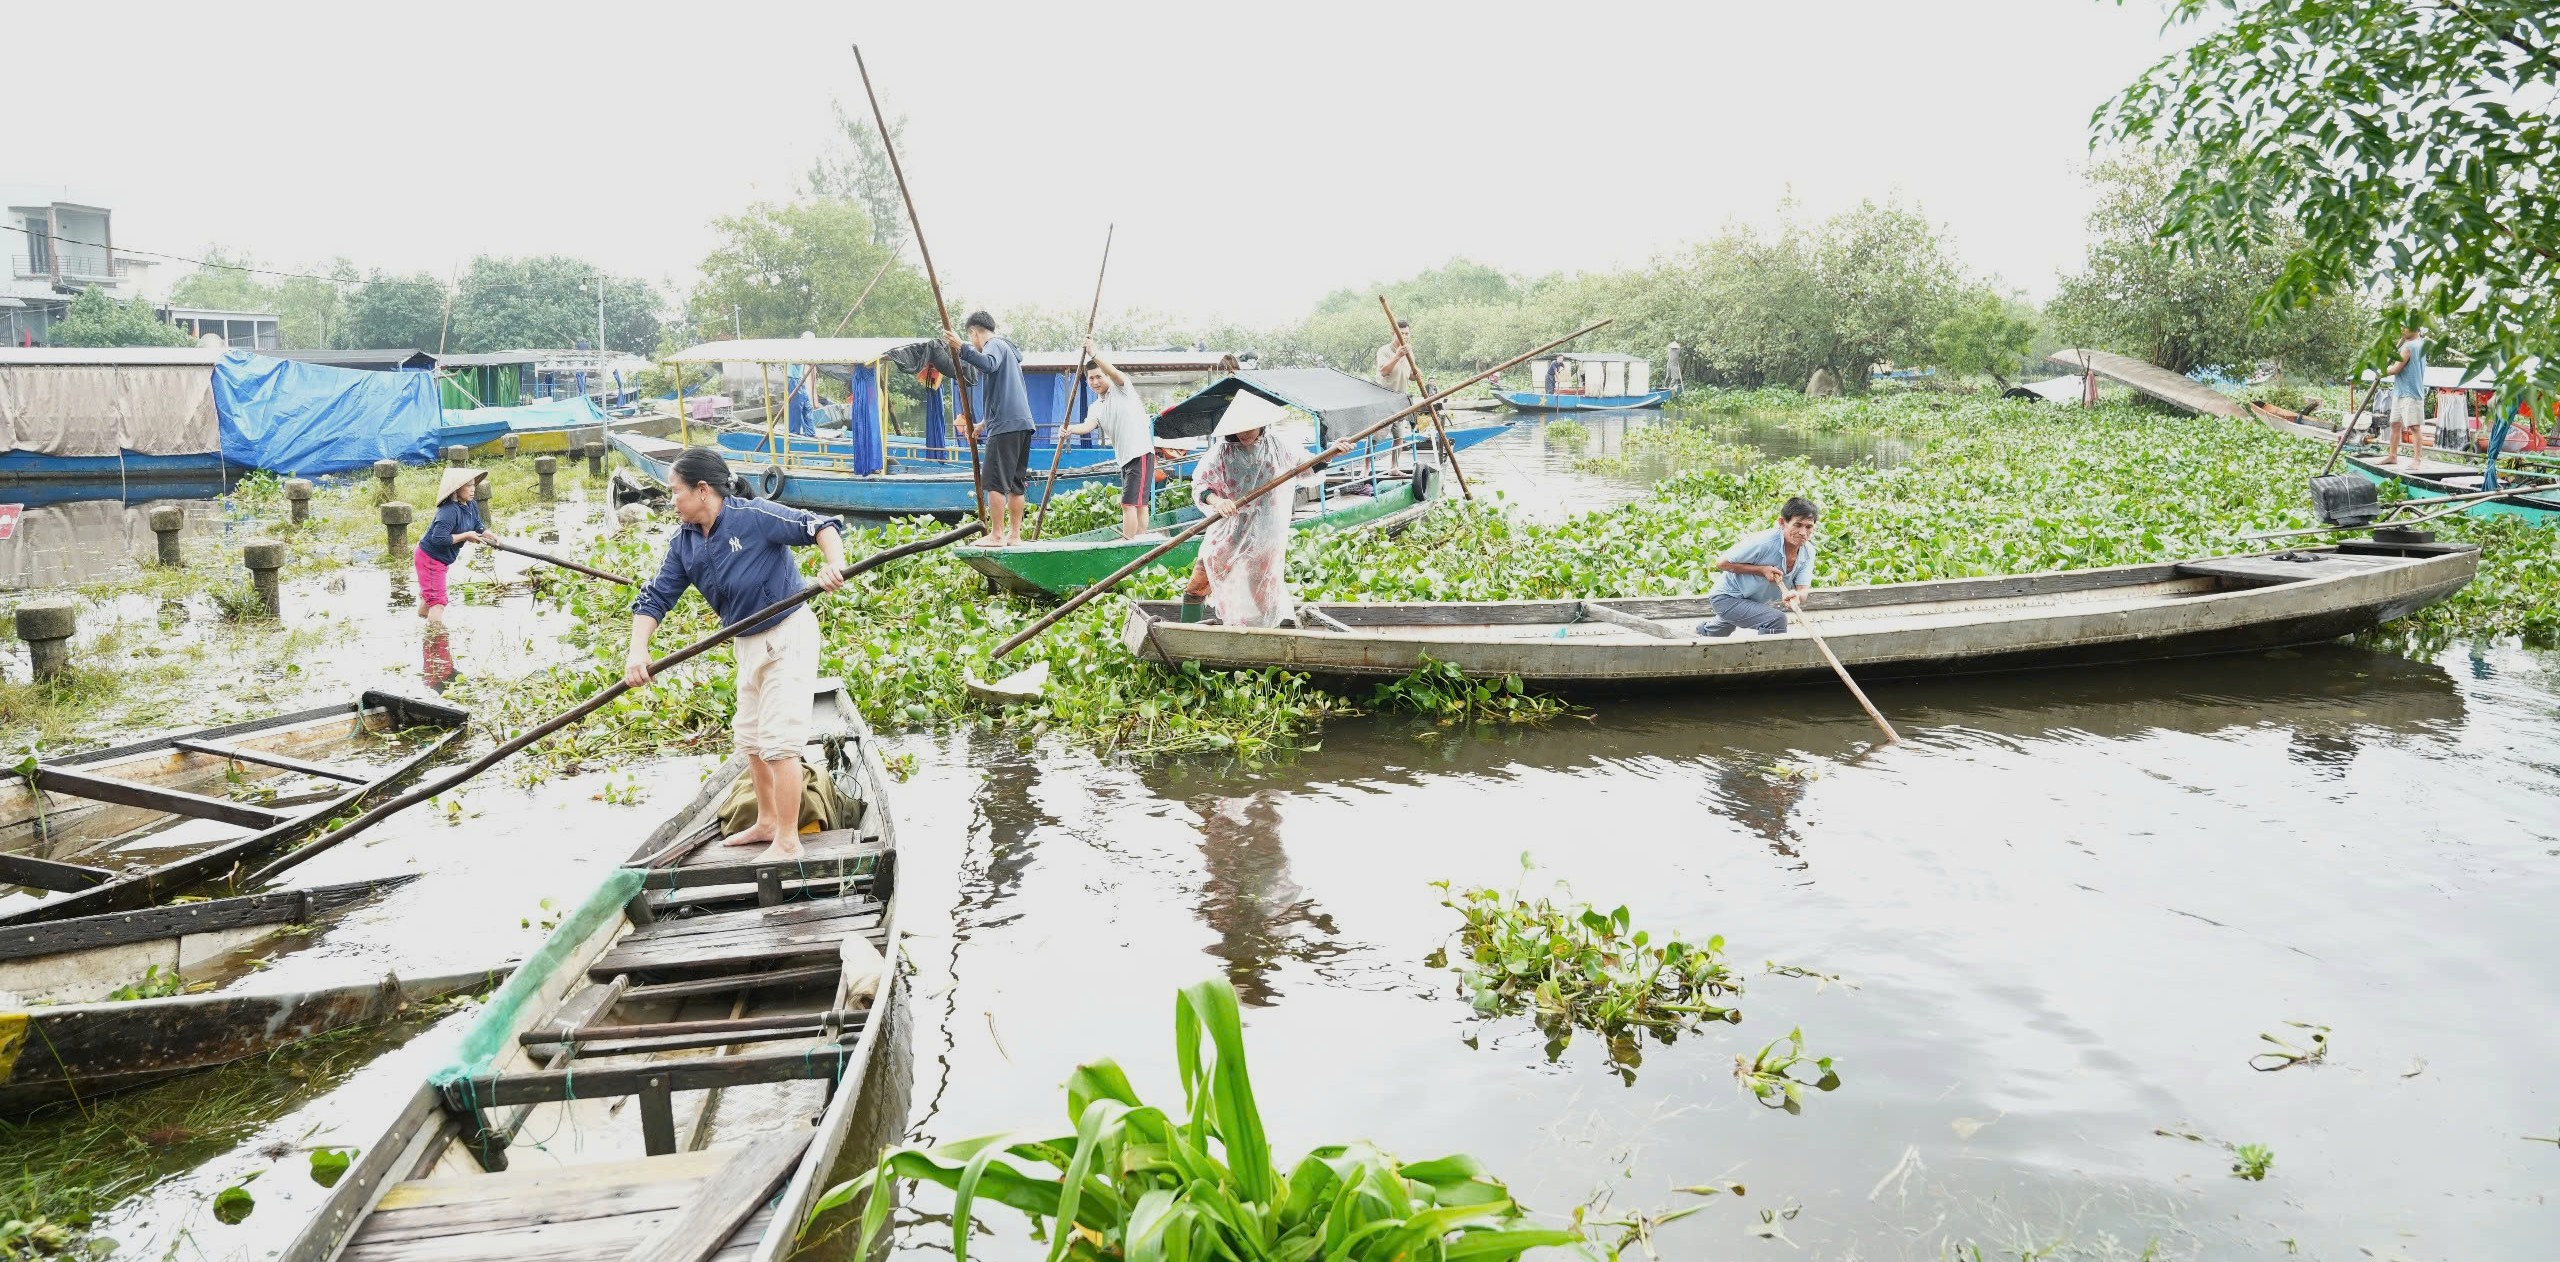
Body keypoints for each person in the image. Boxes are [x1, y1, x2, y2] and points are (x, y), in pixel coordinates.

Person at [624, 447, 849, 859]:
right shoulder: (685, 542)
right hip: (746, 641)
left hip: (787, 635)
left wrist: (833, 565)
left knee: (779, 741)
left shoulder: (754, 516)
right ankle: (767, 821)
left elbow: (820, 525)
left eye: (675, 491)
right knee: (751, 737)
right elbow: (655, 597)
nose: (671, 500)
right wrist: (638, 651)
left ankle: (788, 841)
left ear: (702, 490)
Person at [1181, 393, 1298, 628]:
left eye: (1249, 428)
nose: (1244, 434)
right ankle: (1184, 631)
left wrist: (1336, 450)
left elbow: (1307, 466)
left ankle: (1268, 634)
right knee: (1202, 577)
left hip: (1265, 529)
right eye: (1238, 429)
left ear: (1261, 424)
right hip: (1229, 527)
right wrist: (1218, 502)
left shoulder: (1275, 445)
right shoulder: (1222, 452)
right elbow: (1202, 486)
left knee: (1262, 583)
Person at [947, 311, 1036, 546]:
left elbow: (988, 364)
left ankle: (997, 535)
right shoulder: (1009, 351)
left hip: (1005, 427)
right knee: (1016, 484)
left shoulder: (994, 345)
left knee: (995, 482)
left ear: (973, 333)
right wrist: (983, 423)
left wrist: (962, 348)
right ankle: (1014, 536)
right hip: (1022, 424)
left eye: (971, 338)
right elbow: (1004, 395)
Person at [1066, 338, 1155, 539]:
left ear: (1106, 375)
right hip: (1125, 459)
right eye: (1091, 379)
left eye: (1099, 376)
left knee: (1128, 504)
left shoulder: (1122, 389)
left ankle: (1128, 542)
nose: (1095, 382)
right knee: (1138, 503)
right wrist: (1070, 429)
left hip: (1139, 452)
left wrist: (1094, 353)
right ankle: (1141, 538)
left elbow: (1114, 373)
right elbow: (1088, 426)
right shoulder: (1096, 407)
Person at [1695, 497, 1819, 638]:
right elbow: (1721, 563)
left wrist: (1797, 596)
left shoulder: (1808, 552)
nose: (1803, 532)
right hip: (1726, 597)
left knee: (1719, 631)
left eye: (1808, 527)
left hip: (1752, 601)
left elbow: (1803, 591)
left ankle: (1705, 631)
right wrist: (1761, 570)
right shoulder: (1764, 542)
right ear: (1782, 523)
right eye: (1797, 525)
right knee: (1776, 620)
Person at [416, 467, 495, 627]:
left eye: (473, 485)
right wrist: (466, 535)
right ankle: (436, 639)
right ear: (456, 489)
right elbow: (439, 539)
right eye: (468, 486)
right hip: (430, 558)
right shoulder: (449, 511)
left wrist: (487, 533)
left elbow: (476, 524)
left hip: (440, 559)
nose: (473, 489)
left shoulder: (470, 505)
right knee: (438, 602)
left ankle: (423, 619)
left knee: (431, 598)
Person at [2381, 328, 2427, 466]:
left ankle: (2417, 460)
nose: (2402, 329)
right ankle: (2392, 456)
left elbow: (2395, 369)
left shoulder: (2409, 346)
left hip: (2410, 393)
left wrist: (2381, 372)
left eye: (2405, 327)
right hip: (2399, 391)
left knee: (2414, 427)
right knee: (2395, 424)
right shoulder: (2420, 343)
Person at [1372, 319, 1415, 470]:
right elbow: (1384, 371)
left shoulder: (1409, 352)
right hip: (1384, 399)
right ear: (1394, 333)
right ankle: (1366, 467)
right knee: (1376, 436)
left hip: (1401, 399)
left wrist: (1416, 374)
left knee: (1399, 436)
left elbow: (1411, 375)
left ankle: (1394, 468)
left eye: (1407, 334)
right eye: (1401, 333)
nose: (1404, 337)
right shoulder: (1384, 351)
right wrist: (1397, 356)